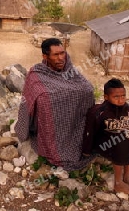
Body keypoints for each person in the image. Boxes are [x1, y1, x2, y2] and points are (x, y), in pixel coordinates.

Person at [15, 37, 95, 171]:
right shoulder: (36, 74)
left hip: (75, 124)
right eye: (56, 55)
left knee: (87, 91)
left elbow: (86, 87)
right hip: (46, 124)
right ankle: (52, 142)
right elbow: (29, 99)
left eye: (62, 53)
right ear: (45, 56)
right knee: (46, 99)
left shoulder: (70, 69)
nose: (61, 58)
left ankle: (79, 137)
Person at [82, 78, 129, 195]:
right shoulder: (100, 112)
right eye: (116, 97)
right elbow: (90, 132)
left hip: (119, 143)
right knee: (120, 139)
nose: (121, 100)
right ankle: (118, 183)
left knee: (128, 134)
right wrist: (86, 151)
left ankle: (127, 176)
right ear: (106, 97)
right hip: (103, 145)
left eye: (123, 96)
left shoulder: (128, 109)